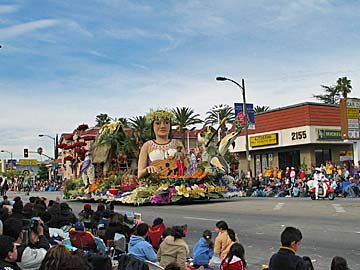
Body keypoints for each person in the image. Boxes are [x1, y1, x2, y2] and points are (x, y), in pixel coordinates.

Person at [137, 110, 185, 178]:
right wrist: (147, 170)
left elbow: (187, 167)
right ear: (152, 126)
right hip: (154, 186)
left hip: (177, 186)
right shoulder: (147, 146)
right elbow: (139, 174)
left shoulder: (178, 143)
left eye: (166, 122)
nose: (162, 126)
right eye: (158, 123)